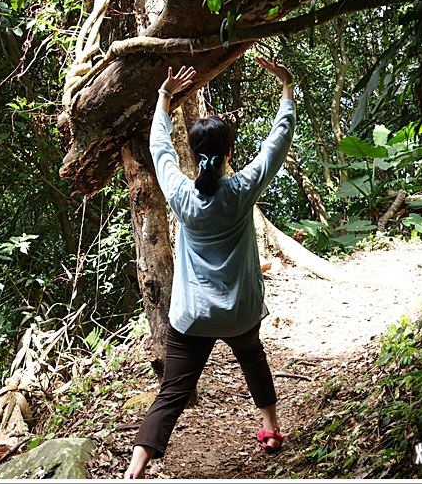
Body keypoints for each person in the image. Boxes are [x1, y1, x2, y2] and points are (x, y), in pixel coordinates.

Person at [124, 56, 296, 479]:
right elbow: (276, 144)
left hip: (194, 315)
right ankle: (271, 429)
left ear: (197, 154)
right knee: (253, 356)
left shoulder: (183, 196)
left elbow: (159, 148)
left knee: (172, 392)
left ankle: (136, 466)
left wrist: (165, 97)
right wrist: (287, 90)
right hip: (238, 311)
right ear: (229, 153)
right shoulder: (241, 190)